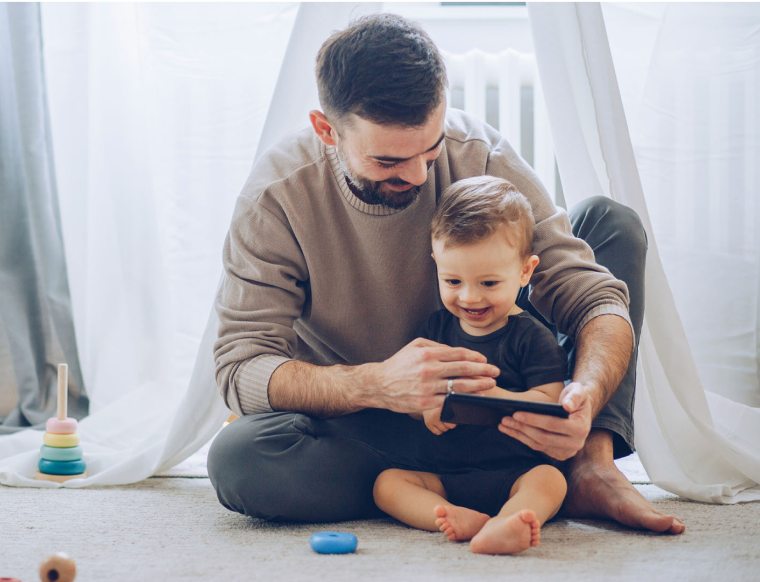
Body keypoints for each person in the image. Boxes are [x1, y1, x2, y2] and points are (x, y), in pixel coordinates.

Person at [207, 13, 685, 534]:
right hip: (379, 427)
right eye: (388, 161)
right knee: (240, 460)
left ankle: (588, 463)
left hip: (510, 414)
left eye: (430, 150)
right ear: (327, 130)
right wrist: (377, 384)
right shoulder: (276, 198)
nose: (418, 175)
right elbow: (241, 365)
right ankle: (463, 485)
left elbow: (593, 299)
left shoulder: (480, 155)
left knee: (611, 224)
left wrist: (584, 397)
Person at [373, 176, 570, 554]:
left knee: (551, 481)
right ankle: (452, 516)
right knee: (388, 484)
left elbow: (552, 404)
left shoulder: (531, 336)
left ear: (525, 272)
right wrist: (426, 409)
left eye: (489, 283)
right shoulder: (436, 329)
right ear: (436, 264)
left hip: (516, 469)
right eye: (452, 280)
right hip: (446, 474)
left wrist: (496, 397)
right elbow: (416, 391)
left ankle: (511, 520)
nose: (469, 296)